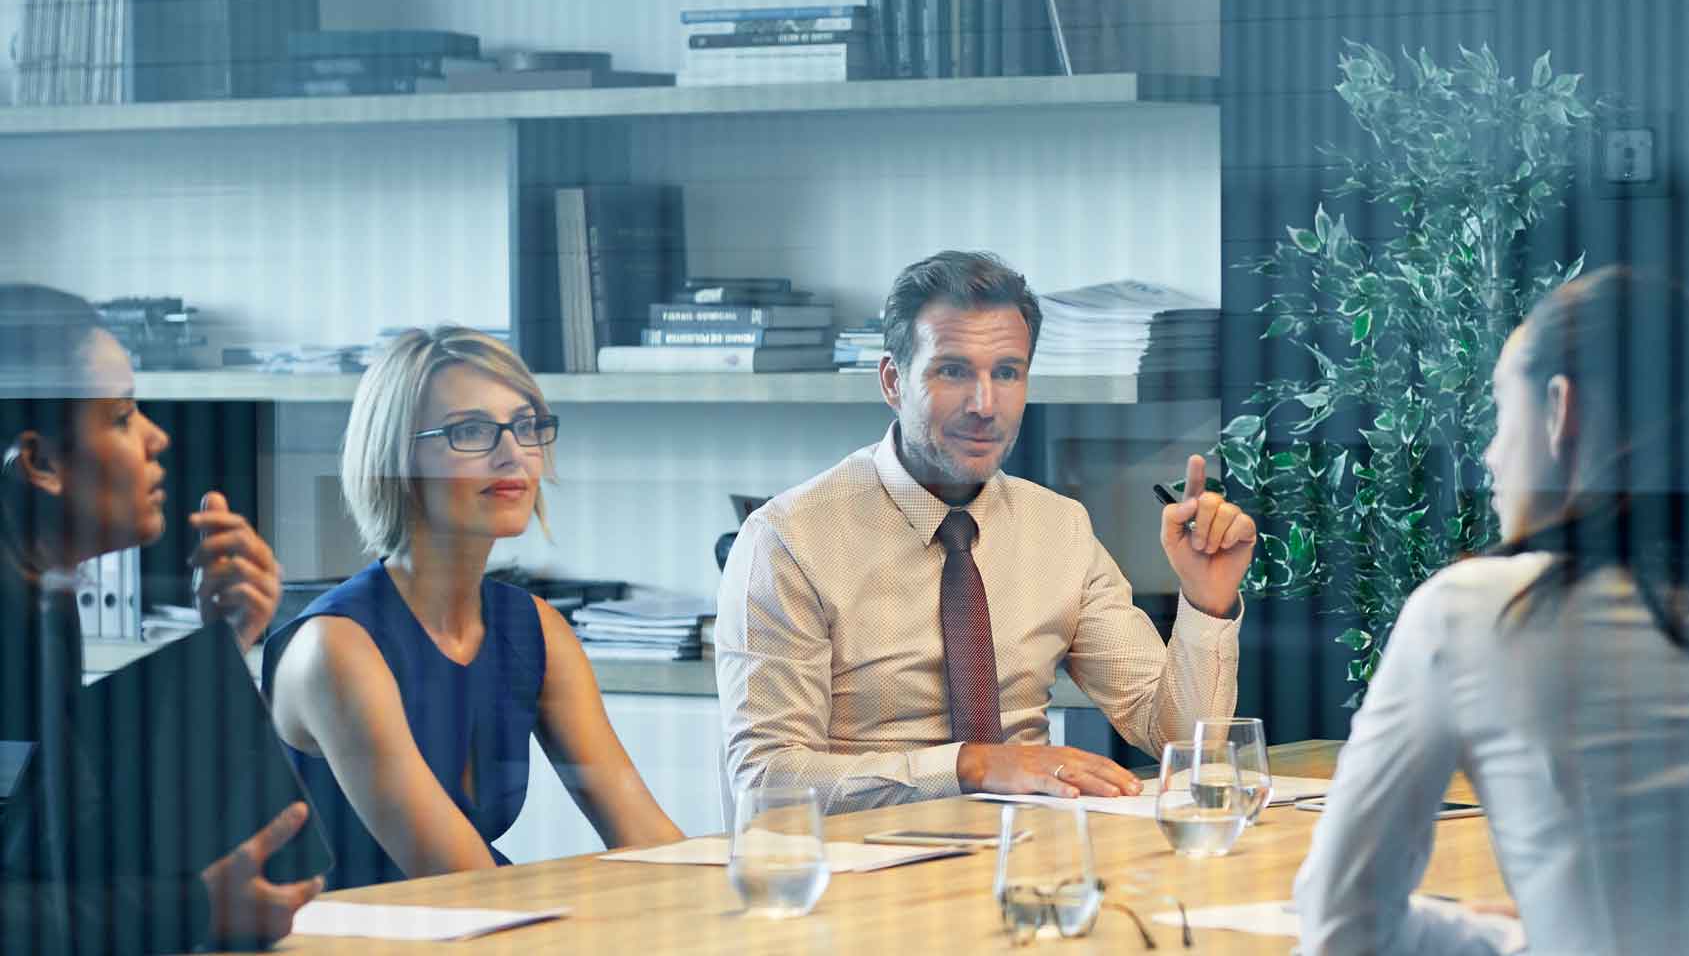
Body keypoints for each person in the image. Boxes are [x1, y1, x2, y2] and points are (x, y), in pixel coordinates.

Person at [1293, 268, 1689, 954]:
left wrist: (1508, 935)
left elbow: (1343, 927)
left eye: (1498, 412)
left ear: (1559, 411)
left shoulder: (1475, 614)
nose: (1489, 456)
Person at [716, 250, 1258, 813]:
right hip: (857, 879)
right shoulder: (789, 540)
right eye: (953, 371)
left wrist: (1206, 604)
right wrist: (971, 766)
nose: (984, 405)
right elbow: (765, 782)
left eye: (1007, 373)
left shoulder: (1059, 528)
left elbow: (1182, 740)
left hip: (1030, 864)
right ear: (892, 381)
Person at [262, 326, 682, 889]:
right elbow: (463, 884)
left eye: (527, 426)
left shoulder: (535, 630)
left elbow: (649, 839)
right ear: (398, 458)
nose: (514, 454)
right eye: (472, 431)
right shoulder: (335, 649)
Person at [0, 283, 317, 951]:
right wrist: (194, 909)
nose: (157, 437)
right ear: (40, 462)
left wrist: (220, 646)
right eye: (120, 417)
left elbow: (68, 839)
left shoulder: (44, 603)